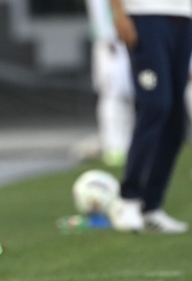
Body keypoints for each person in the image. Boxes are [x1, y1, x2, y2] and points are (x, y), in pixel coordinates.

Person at [107, 0, 192, 233]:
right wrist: (119, 12)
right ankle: (127, 199)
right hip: (145, 16)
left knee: (175, 120)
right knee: (155, 105)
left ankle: (151, 206)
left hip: (183, 20)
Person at [85, 0, 135, 167]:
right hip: (110, 40)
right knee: (111, 94)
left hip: (124, 36)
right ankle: (113, 146)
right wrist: (107, 37)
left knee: (128, 94)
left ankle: (127, 144)